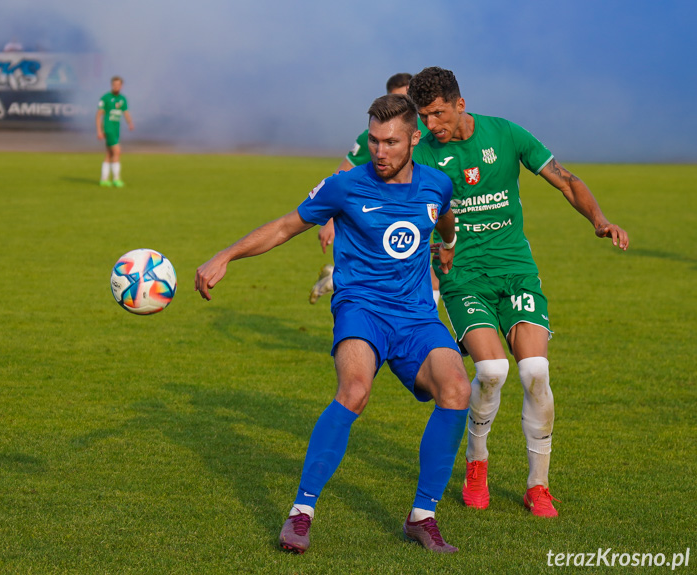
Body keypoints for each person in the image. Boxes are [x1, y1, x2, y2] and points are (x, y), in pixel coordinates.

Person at [196, 94, 471, 554]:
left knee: (458, 389)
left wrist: (448, 242)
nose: (379, 152)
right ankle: (301, 513)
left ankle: (422, 516)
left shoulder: (437, 184)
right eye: (374, 141)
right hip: (361, 308)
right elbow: (286, 226)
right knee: (354, 391)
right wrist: (226, 255)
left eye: (390, 142)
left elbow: (443, 218)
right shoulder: (345, 186)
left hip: (416, 316)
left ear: (413, 140)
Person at [406, 66, 630, 518]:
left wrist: (599, 219)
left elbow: (564, 178)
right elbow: (415, 215)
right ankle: (477, 465)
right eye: (423, 117)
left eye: (437, 114)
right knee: (490, 371)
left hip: (516, 270)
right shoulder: (425, 156)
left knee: (534, 372)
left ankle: (537, 486)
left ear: (459, 103)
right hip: (463, 275)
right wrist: (435, 250)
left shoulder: (505, 134)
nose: (431, 126)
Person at [309, 73, 440, 305]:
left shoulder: (429, 133)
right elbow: (341, 175)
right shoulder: (375, 137)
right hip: (387, 214)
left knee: (432, 274)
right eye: (397, 98)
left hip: (427, 210)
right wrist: (329, 220)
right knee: (401, 275)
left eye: (408, 98)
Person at [96, 76, 134, 187]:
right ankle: (116, 179)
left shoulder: (122, 99)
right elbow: (98, 115)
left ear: (121, 86)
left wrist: (130, 123)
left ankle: (104, 179)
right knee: (117, 151)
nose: (116, 86)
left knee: (109, 154)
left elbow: (125, 112)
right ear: (111, 85)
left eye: (118, 85)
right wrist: (99, 130)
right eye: (114, 85)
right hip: (108, 128)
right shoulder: (105, 98)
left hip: (117, 129)